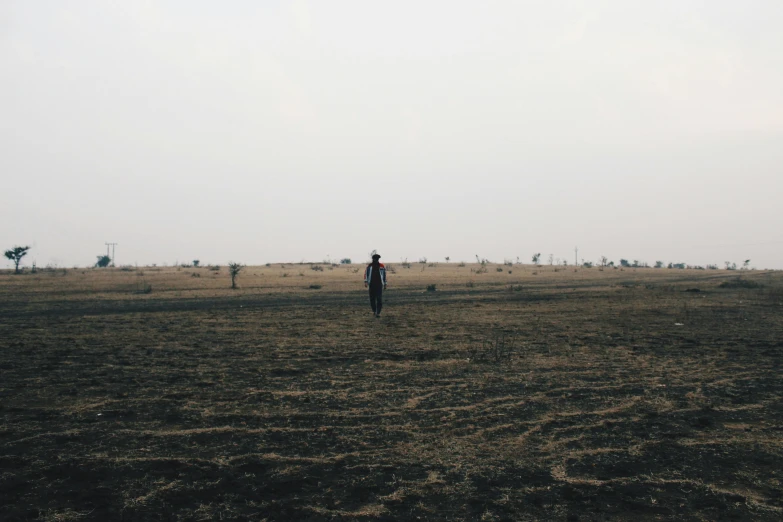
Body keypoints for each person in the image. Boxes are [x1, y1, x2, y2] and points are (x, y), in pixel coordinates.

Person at [364, 253, 387, 318]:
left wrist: (385, 284)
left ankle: (378, 312)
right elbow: (366, 274)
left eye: (377, 259)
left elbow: (384, 275)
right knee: (372, 299)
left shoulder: (382, 266)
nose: (376, 260)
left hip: (379, 285)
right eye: (375, 259)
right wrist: (365, 282)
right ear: (373, 259)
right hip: (371, 285)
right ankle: (374, 311)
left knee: (379, 299)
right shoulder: (369, 266)